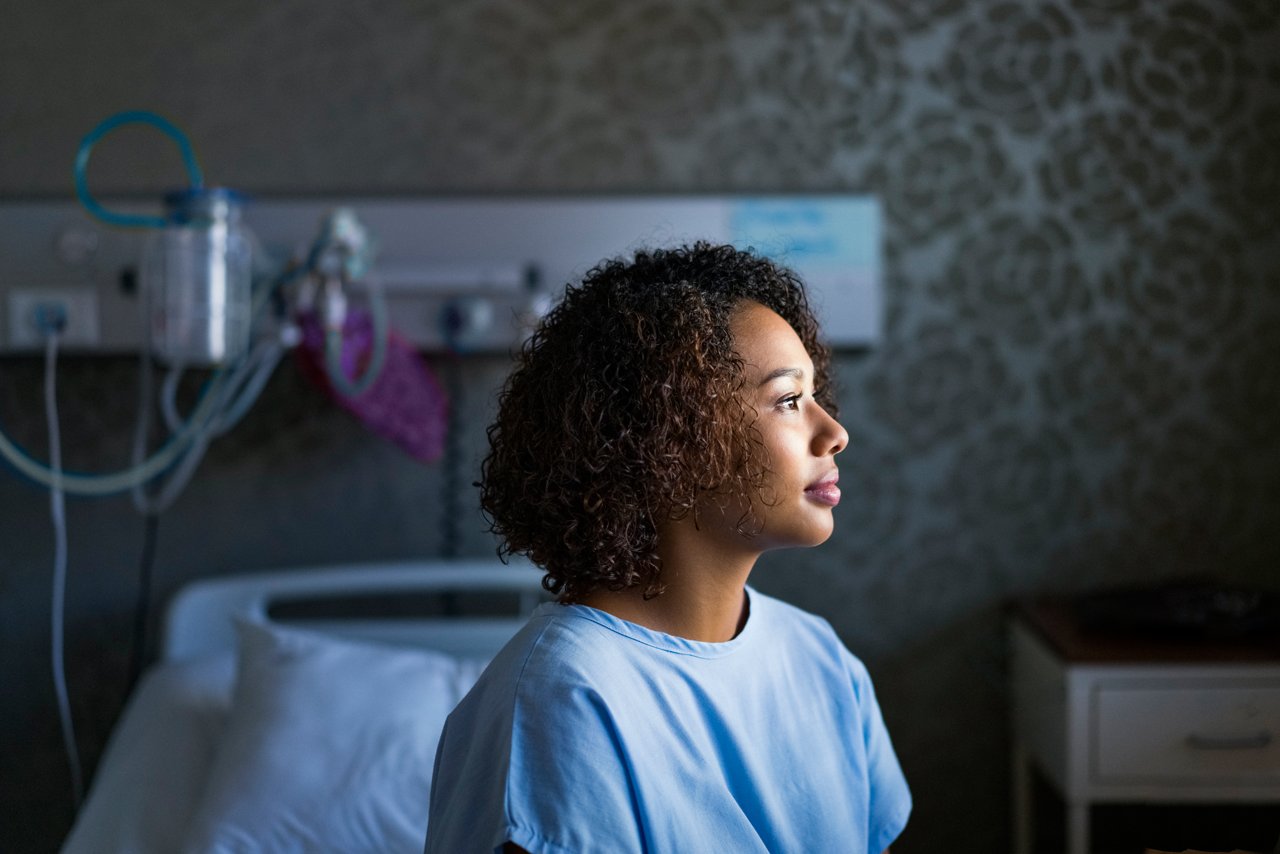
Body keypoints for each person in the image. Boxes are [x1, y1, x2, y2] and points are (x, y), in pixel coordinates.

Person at [425, 243, 910, 853]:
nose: (835, 433)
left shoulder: (823, 662)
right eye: (789, 401)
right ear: (671, 438)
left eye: (816, 397)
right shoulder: (562, 705)